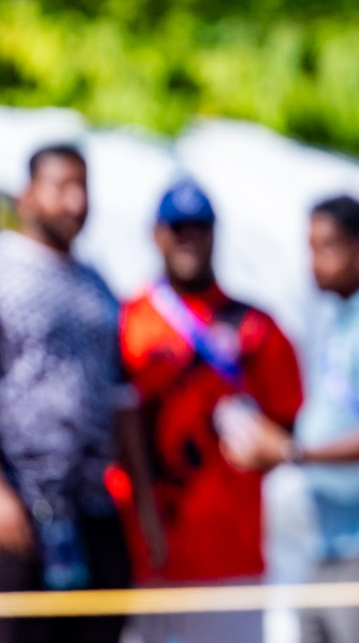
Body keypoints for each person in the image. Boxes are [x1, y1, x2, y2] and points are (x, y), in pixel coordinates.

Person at [0, 145, 165, 643]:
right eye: (62, 187)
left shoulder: (98, 287)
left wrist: (144, 504)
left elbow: (121, 400)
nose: (76, 202)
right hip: (15, 507)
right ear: (28, 195)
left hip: (90, 509)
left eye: (83, 188)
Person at [227, 195, 359, 643]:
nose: (314, 262)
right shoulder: (349, 318)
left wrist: (291, 451)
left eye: (327, 247)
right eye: (311, 247)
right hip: (336, 541)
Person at [108, 179, 303, 643]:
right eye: (177, 228)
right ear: (156, 234)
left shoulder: (256, 327)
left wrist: (269, 447)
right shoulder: (126, 319)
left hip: (227, 556)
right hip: (142, 553)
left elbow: (287, 427)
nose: (188, 240)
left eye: (199, 228)